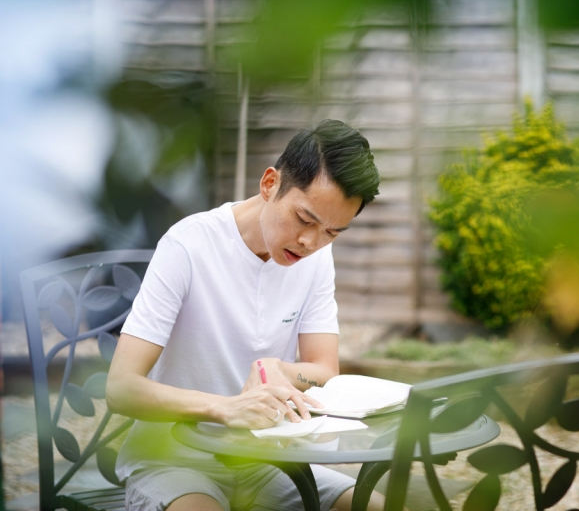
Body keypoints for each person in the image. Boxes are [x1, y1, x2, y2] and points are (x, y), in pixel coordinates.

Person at [106, 119, 383, 511]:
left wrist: (284, 370)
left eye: (332, 232)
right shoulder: (188, 245)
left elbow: (326, 370)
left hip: (272, 464)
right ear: (270, 183)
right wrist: (224, 407)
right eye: (305, 220)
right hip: (173, 461)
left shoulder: (317, 259)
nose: (311, 242)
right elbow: (121, 388)